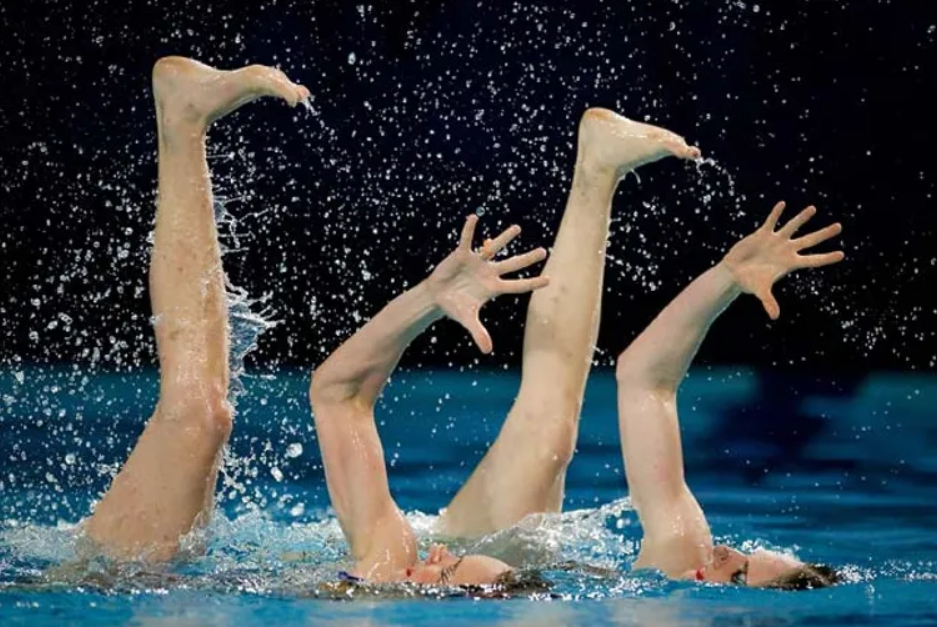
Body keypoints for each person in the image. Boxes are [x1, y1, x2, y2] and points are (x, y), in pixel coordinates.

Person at [309, 107, 700, 585]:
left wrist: (428, 300)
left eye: (445, 569)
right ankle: (598, 172)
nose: (431, 551)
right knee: (551, 434)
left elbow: (337, 394)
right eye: (445, 559)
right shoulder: (403, 565)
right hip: (485, 546)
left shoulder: (384, 573)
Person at [82, 56, 310, 561]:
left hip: (112, 583)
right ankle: (183, 124)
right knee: (203, 414)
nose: (437, 560)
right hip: (132, 584)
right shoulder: (388, 560)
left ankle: (183, 123)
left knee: (201, 415)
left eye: (446, 574)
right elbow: (341, 399)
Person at [615, 201, 845, 589]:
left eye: (739, 574)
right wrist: (726, 279)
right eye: (744, 556)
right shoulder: (683, 551)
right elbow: (643, 379)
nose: (723, 553)